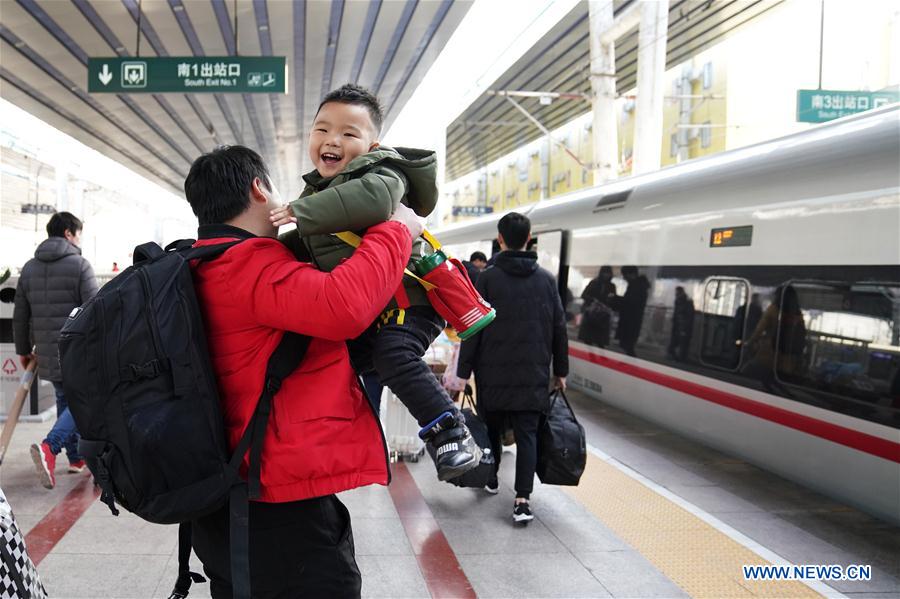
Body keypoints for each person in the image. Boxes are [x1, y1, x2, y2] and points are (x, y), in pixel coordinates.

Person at [184, 144, 423, 597]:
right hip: (273, 502)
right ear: (259, 189)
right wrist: (396, 231)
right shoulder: (244, 264)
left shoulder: (201, 263)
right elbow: (343, 306)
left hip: (225, 490)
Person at [269, 83, 480, 481]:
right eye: (322, 129)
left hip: (409, 301)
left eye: (348, 133)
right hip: (375, 309)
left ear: (373, 145)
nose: (332, 140)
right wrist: (259, 249)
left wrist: (300, 210)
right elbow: (308, 243)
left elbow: (372, 202)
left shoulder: (384, 174)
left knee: (394, 355)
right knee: (328, 360)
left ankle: (451, 430)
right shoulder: (320, 192)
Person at [457, 212, 568, 523]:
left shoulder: (487, 278)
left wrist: (463, 371)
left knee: (491, 427)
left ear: (500, 239)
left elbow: (474, 326)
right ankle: (522, 500)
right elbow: (559, 328)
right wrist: (561, 371)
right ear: (529, 238)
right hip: (533, 373)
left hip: (493, 371)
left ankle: (492, 478)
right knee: (527, 434)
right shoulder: (546, 280)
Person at [13, 211, 98, 489]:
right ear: (68, 234)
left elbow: (20, 315)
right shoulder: (80, 265)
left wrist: (23, 350)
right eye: (78, 234)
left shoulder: (29, 269)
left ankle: (76, 458)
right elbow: (95, 311)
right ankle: (50, 447)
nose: (79, 239)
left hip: (47, 351)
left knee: (65, 399)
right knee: (83, 402)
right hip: (78, 352)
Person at [613, 265, 650, 357]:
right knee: (626, 345)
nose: (624, 278)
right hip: (632, 319)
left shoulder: (637, 286)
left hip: (631, 320)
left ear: (632, 274)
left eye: (625, 275)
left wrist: (616, 298)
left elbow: (630, 301)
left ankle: (630, 361)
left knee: (627, 345)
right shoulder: (638, 285)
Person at [578, 266, 616, 347]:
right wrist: (592, 300)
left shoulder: (611, 286)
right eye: (605, 273)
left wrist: (609, 300)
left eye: (608, 273)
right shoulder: (594, 283)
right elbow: (584, 295)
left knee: (600, 340)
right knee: (589, 338)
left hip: (603, 314)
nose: (606, 275)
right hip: (592, 312)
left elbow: (613, 299)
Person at [667, 286, 695, 361]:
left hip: (683, 327)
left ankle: (680, 359)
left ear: (681, 292)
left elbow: (688, 317)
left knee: (682, 344)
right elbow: (676, 313)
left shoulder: (687, 302)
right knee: (675, 343)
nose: (676, 294)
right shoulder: (678, 300)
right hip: (677, 326)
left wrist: (684, 328)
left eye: (677, 292)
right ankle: (675, 357)